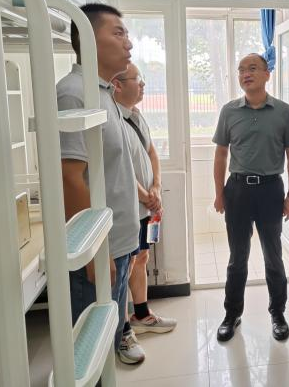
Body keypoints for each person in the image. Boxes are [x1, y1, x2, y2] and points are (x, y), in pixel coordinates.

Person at [57, 3, 139, 352]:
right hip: (99, 249)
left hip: (117, 243)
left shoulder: (104, 93)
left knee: (108, 342)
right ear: (88, 38)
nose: (128, 43)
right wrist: (93, 252)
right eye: (118, 33)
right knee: (91, 352)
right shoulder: (74, 92)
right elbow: (69, 178)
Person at [212, 53, 289, 342]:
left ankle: (278, 314)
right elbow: (221, 154)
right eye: (241, 70)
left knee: (273, 256)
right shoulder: (229, 111)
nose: (245, 74)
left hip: (270, 190)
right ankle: (231, 315)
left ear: (266, 74)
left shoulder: (284, 112)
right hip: (237, 190)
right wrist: (219, 193)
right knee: (237, 258)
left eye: (252, 68)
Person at [112, 63, 177, 364]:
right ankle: (122, 330)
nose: (143, 85)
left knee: (142, 257)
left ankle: (141, 314)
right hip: (128, 208)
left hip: (147, 206)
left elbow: (151, 152)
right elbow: (120, 168)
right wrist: (145, 196)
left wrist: (157, 187)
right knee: (123, 266)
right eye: (138, 79)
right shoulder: (112, 119)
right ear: (117, 84)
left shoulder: (136, 115)